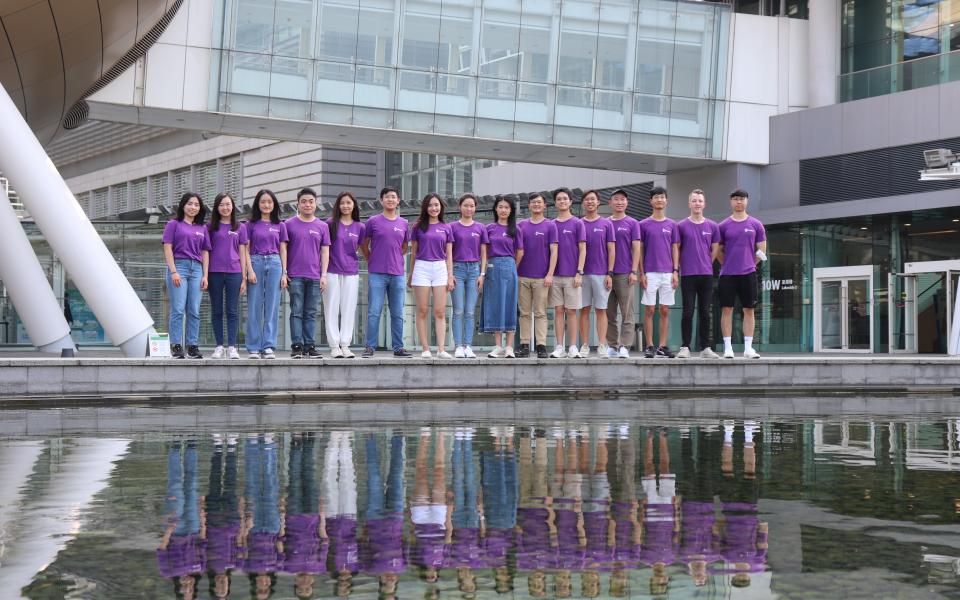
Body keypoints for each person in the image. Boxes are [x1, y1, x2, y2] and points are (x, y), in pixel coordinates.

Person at [361, 187, 413, 358]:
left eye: (393, 197)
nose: (390, 200)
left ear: (398, 200)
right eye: (387, 197)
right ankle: (370, 347)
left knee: (398, 312)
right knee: (374, 311)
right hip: (377, 273)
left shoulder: (404, 223)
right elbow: (364, 244)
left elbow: (404, 247)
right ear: (381, 200)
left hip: (397, 273)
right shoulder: (373, 221)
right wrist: (371, 259)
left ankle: (398, 347)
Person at [718, 189, 767, 359]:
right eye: (736, 199)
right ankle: (728, 348)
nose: (739, 202)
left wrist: (749, 263)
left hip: (748, 274)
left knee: (749, 310)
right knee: (727, 309)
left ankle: (748, 348)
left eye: (742, 199)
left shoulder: (756, 224)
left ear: (747, 201)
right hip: (727, 274)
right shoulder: (723, 226)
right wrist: (728, 263)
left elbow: (762, 250)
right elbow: (718, 250)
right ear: (731, 202)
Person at [162, 192, 211, 359]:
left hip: (197, 269)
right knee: (178, 308)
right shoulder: (173, 224)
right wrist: (173, 271)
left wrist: (205, 275)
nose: (193, 207)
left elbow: (205, 252)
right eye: (190, 204)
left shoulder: (202, 228)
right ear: (183, 205)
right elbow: (167, 247)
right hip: (179, 267)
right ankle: (176, 345)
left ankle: (192, 346)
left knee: (194, 310)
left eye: (197, 205)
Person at [284, 187, 330, 359]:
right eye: (303, 201)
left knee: (311, 312)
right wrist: (284, 271)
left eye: (311, 201)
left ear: (315, 203)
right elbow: (284, 249)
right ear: (298, 204)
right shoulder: (288, 224)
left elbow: (325, 252)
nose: (307, 204)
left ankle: (310, 346)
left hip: (314, 276)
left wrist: (323, 275)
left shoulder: (322, 226)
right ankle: (297, 346)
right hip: (294, 275)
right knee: (296, 310)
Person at [408, 193, 455, 359]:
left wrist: (450, 276)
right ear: (425, 208)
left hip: (440, 268)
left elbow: (449, 255)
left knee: (440, 311)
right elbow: (413, 253)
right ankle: (425, 348)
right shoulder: (418, 226)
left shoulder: (446, 227)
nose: (434, 208)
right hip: (421, 267)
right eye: (430, 205)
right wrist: (411, 274)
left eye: (436, 205)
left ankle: (441, 349)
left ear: (441, 207)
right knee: (421, 310)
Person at [677, 189, 721, 359]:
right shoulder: (681, 226)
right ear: (689, 204)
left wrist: (705, 263)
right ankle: (685, 346)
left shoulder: (712, 226)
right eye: (694, 200)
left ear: (704, 204)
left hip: (706, 275)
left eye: (700, 201)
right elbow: (677, 249)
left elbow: (715, 249)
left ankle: (705, 348)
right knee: (687, 311)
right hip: (688, 275)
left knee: (705, 311)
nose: (697, 204)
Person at [245, 189, 287, 359]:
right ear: (258, 204)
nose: (266, 205)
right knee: (254, 306)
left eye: (270, 202)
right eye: (263, 202)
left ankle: (268, 345)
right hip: (256, 261)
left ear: (274, 204)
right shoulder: (250, 225)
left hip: (275, 263)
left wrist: (284, 273)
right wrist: (249, 270)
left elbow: (283, 249)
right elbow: (245, 249)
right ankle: (254, 346)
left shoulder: (280, 225)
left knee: (272, 307)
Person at [638, 186, 679, 359]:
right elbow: (639, 250)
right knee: (649, 310)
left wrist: (675, 271)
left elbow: (675, 248)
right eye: (656, 197)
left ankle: (662, 346)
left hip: (668, 273)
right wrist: (641, 273)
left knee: (664, 309)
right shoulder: (643, 224)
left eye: (662, 197)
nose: (659, 200)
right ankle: (649, 346)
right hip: (650, 272)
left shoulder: (672, 225)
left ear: (666, 200)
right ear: (651, 201)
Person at [324, 191, 366, 358]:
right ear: (338, 206)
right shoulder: (330, 224)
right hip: (332, 270)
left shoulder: (360, 226)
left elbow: (360, 248)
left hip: (351, 272)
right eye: (342, 203)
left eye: (349, 203)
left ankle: (345, 344)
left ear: (353, 205)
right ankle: (334, 346)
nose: (346, 206)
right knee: (331, 308)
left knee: (349, 308)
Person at [516, 193, 558, 358]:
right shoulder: (521, 225)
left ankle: (541, 345)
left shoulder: (550, 225)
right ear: (529, 205)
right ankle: (525, 344)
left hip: (542, 277)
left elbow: (554, 251)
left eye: (539, 202)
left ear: (545, 206)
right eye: (533, 202)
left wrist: (550, 274)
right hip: (523, 276)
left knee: (540, 312)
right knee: (524, 312)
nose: (536, 205)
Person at [207, 193, 248, 360]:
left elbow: (243, 252)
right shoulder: (210, 227)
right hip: (214, 273)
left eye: (228, 204)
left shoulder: (240, 227)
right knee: (216, 310)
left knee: (232, 311)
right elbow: (206, 252)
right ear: (217, 207)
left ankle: (231, 347)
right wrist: (205, 275)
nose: (225, 207)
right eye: (222, 205)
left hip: (235, 272)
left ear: (233, 206)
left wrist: (244, 277)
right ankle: (219, 346)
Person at [482, 196, 523, 358]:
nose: (503, 210)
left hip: (510, 267)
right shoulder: (489, 228)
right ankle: (498, 345)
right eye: (500, 207)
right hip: (492, 267)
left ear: (511, 210)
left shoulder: (516, 229)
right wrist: (484, 271)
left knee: (510, 305)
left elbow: (520, 252)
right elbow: (484, 250)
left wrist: (512, 266)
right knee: (495, 305)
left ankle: (509, 347)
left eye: (506, 207)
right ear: (496, 209)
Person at [450, 193, 489, 358]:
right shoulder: (452, 227)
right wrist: (450, 273)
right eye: (466, 205)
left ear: (475, 208)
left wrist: (482, 273)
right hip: (457, 269)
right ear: (460, 207)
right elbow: (449, 252)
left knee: (470, 311)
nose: (469, 208)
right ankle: (458, 346)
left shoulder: (480, 227)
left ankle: (468, 346)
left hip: (474, 270)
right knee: (458, 310)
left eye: (472, 205)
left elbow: (484, 252)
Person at [578, 190, 616, 360]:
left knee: (601, 310)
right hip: (583, 274)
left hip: (602, 273)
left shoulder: (607, 224)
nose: (590, 202)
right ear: (583, 203)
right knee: (584, 310)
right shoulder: (579, 224)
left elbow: (611, 249)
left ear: (599, 202)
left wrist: (610, 273)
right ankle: (585, 345)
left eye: (593, 199)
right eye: (587, 200)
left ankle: (602, 345)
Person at [549, 188, 585, 359]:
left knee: (571, 311)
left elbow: (583, 249)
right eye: (559, 199)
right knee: (558, 310)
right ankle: (559, 347)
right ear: (555, 203)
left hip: (572, 275)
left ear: (570, 202)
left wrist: (579, 272)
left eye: (565, 198)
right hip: (555, 275)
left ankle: (572, 346)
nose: (562, 201)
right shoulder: (551, 224)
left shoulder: (578, 223)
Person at [605, 189, 641, 358]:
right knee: (608, 312)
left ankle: (625, 346)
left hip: (625, 273)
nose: (619, 202)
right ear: (610, 203)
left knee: (627, 312)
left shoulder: (632, 223)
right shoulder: (605, 223)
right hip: (605, 274)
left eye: (622, 199)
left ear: (627, 203)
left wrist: (634, 271)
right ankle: (612, 345)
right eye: (616, 199)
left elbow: (636, 248)